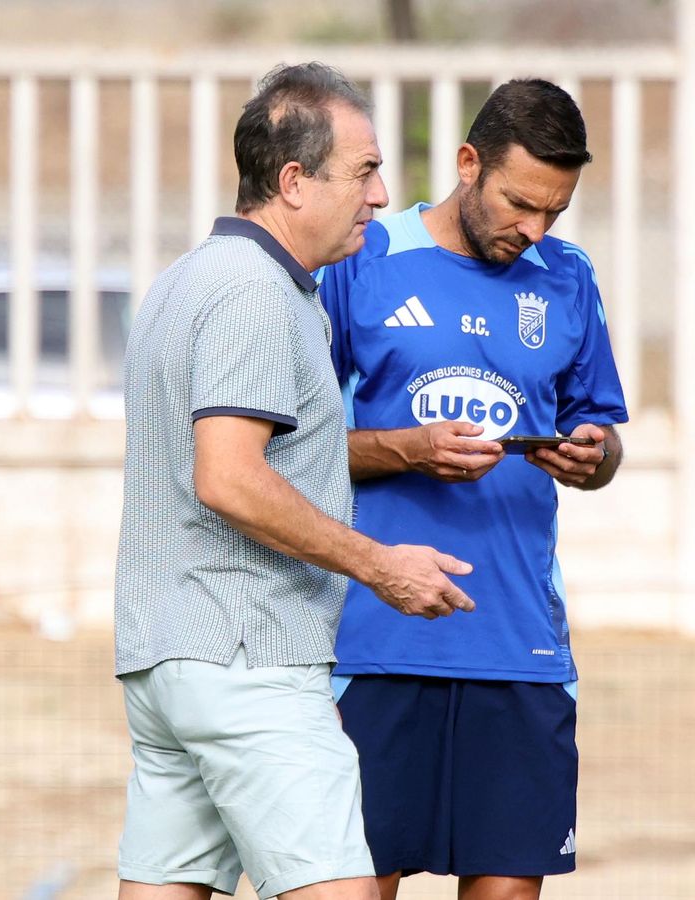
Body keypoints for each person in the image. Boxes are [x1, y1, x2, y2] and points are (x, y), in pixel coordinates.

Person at [113, 62, 478, 900]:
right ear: (292, 182)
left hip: (166, 662)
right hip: (250, 661)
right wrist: (380, 564)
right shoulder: (256, 294)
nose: (382, 194)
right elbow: (229, 479)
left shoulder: (185, 280)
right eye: (364, 171)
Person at [317, 78, 628, 900]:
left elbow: (605, 441)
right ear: (467, 164)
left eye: (554, 212)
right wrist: (408, 449)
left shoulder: (566, 278)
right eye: (521, 203)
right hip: (376, 644)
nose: (535, 230)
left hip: (520, 647)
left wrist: (593, 457)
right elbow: (293, 452)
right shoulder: (365, 259)